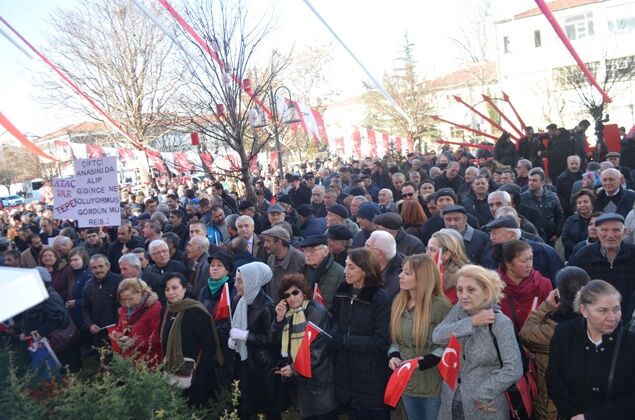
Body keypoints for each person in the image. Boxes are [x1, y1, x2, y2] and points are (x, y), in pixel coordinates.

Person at [432, 265, 523, 420]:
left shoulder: (500, 322)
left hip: (485, 407)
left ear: (486, 291)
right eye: (459, 290)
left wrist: (483, 393)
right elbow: (437, 336)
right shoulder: (458, 311)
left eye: (471, 290)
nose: (463, 296)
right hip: (450, 404)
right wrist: (471, 322)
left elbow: (514, 368)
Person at [547, 280, 635, 419]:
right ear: (584, 310)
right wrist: (575, 416)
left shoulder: (630, 342)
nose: (612, 318)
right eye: (603, 310)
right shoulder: (564, 334)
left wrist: (590, 417)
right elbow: (554, 379)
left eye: (616, 309)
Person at [519, 266, 590, 420]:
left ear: (558, 292)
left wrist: (546, 305)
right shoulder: (596, 322)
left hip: (553, 409)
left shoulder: (552, 331)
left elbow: (525, 333)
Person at [329, 248, 392, 420]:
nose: (345, 271)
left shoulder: (381, 299)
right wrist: (334, 333)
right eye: (345, 265)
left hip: (371, 375)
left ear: (364, 271)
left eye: (351, 267)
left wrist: (344, 341)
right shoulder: (342, 291)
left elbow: (380, 341)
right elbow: (334, 317)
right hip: (346, 373)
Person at [388, 254, 451, 420]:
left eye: (407, 273)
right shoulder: (398, 302)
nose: (400, 276)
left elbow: (450, 346)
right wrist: (393, 356)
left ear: (422, 277)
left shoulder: (441, 306)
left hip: (433, 385)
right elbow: (395, 340)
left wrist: (422, 361)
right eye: (402, 271)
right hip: (406, 384)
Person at [271, 274, 337, 420]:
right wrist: (279, 320)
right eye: (287, 295)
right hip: (301, 382)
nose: (292, 298)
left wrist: (294, 369)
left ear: (304, 292)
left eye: (295, 292)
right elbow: (274, 341)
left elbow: (318, 352)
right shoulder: (288, 313)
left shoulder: (317, 312)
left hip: (318, 380)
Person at [229, 261, 288, 419]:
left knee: (266, 409)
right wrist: (234, 339)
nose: (235, 284)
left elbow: (272, 340)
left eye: (240, 281)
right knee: (247, 406)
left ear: (252, 281)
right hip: (246, 363)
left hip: (262, 367)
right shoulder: (241, 301)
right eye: (236, 280)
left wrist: (245, 336)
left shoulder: (267, 307)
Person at [160, 272, 224, 407]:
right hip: (172, 371)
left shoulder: (196, 311)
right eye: (167, 289)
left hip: (195, 375)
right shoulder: (166, 310)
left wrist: (199, 374)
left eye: (175, 288)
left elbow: (209, 346)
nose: (170, 293)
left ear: (184, 288)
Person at [569, 213, 635, 318]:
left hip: (628, 318)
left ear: (625, 232)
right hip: (593, 318)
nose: (610, 235)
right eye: (604, 230)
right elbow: (573, 290)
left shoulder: (633, 254)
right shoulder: (583, 256)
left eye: (616, 230)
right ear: (597, 232)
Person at [17, 267, 79, 373]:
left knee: (68, 371)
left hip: (59, 343)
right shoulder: (35, 296)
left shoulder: (50, 297)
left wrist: (38, 332)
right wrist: (23, 331)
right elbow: (28, 316)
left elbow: (61, 319)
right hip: (45, 343)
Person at [197, 250, 236, 389]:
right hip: (207, 341)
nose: (214, 268)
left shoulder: (232, 289)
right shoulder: (205, 289)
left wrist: (215, 331)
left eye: (219, 265)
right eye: (212, 265)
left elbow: (233, 318)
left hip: (225, 343)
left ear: (227, 270)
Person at [495, 240, 552, 332]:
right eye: (524, 261)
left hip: (534, 338)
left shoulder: (543, 284)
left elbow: (550, 318)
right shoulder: (493, 286)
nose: (529, 265)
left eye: (531, 259)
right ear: (508, 264)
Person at [112, 278, 163, 366]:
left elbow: (157, 338)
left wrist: (134, 342)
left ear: (139, 292)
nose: (127, 303)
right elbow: (120, 327)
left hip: (149, 360)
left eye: (130, 299)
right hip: (129, 358)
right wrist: (119, 336)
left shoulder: (155, 308)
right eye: (123, 300)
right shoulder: (124, 308)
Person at [426, 229, 470, 304]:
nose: (427, 254)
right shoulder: (426, 271)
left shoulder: (462, 279)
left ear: (447, 255)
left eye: (432, 250)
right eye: (427, 249)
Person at [561, 188, 596, 260]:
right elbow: (565, 238)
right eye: (579, 203)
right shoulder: (570, 220)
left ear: (592, 204)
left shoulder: (599, 219)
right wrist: (578, 249)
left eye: (585, 202)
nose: (582, 205)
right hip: (574, 256)